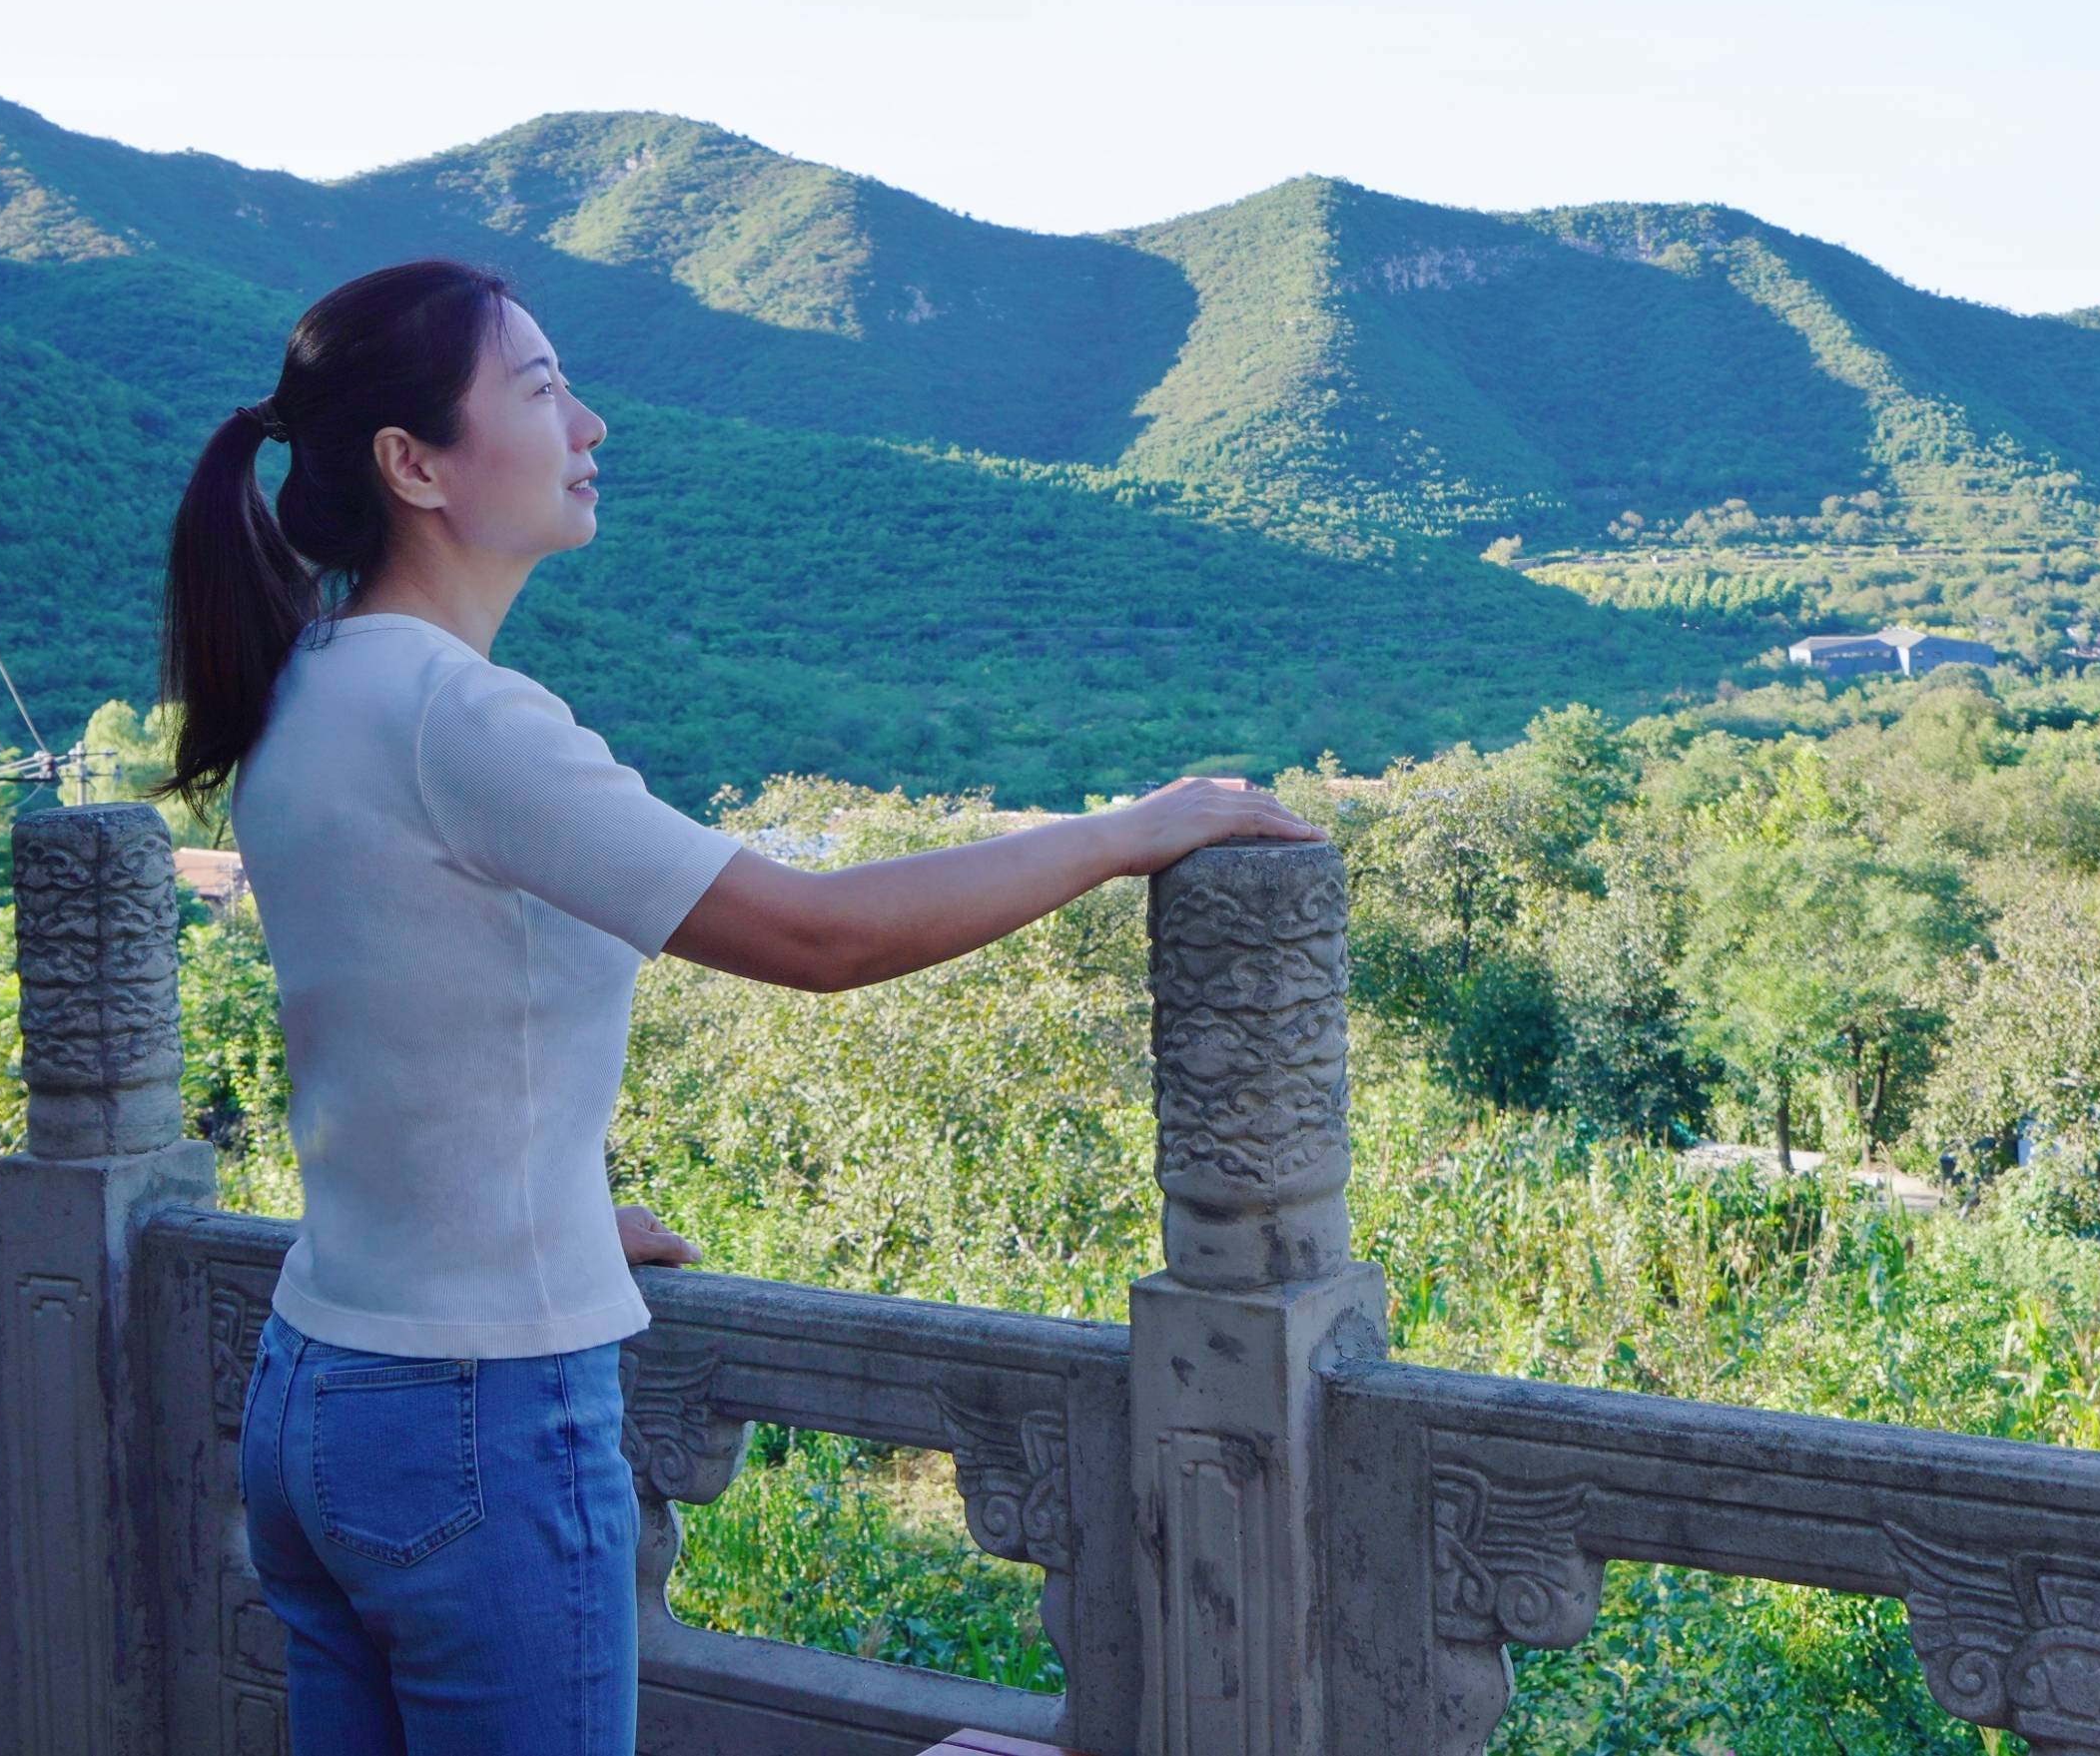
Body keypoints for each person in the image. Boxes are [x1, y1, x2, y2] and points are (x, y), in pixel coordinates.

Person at [156, 258, 1320, 1756]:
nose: (587, 422)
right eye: (537, 389)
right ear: (414, 464)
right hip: (474, 1409)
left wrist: (550, 1204)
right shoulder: (460, 715)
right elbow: (814, 933)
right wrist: (1124, 830)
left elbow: (406, 1011)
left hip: (321, 1385)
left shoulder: (310, 686)